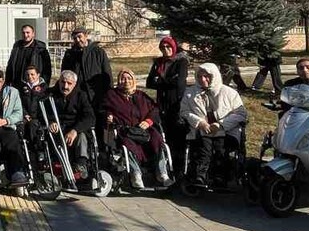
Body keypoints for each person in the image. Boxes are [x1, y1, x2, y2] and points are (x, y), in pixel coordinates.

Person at [181, 63, 248, 188]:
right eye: (199, 76)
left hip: (225, 130)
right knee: (204, 147)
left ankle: (220, 176)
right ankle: (200, 176)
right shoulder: (190, 93)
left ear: (214, 76)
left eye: (206, 76)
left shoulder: (229, 93)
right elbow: (184, 111)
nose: (203, 80)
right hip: (202, 129)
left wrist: (220, 124)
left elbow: (240, 114)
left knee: (220, 146)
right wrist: (199, 122)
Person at [104, 69, 163, 188]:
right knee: (126, 143)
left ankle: (161, 172)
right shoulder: (112, 95)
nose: (126, 81)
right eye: (123, 78)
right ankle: (136, 174)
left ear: (133, 80)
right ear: (119, 81)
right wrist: (108, 116)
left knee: (157, 138)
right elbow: (104, 109)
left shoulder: (141, 96)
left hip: (143, 129)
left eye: (129, 78)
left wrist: (148, 121)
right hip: (125, 130)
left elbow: (155, 109)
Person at [145, 36, 190, 181]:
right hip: (161, 104)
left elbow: (179, 83)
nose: (166, 50)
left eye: (168, 47)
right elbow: (149, 83)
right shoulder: (158, 62)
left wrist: (160, 80)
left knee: (177, 136)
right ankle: (163, 166)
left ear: (174, 47)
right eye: (163, 47)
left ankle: (179, 169)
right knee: (163, 135)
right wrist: (166, 81)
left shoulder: (181, 62)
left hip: (176, 103)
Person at [48, 71, 96, 168]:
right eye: (63, 82)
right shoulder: (51, 95)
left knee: (82, 137)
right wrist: (51, 122)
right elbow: (43, 113)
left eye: (69, 83)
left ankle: (81, 165)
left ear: (74, 84)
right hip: (58, 128)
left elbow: (90, 117)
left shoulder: (81, 96)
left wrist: (75, 130)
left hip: (75, 129)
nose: (65, 86)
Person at [60, 28, 113, 110]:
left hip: (95, 94)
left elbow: (107, 74)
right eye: (75, 38)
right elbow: (64, 74)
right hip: (77, 96)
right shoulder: (69, 55)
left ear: (86, 36)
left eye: (79, 37)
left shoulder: (98, 52)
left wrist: (110, 94)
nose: (78, 40)